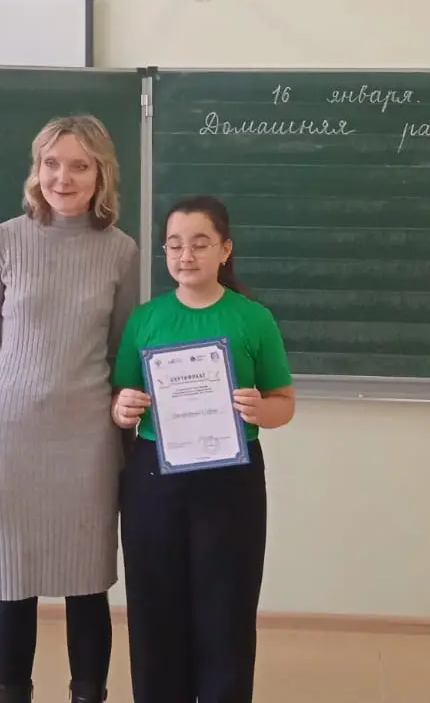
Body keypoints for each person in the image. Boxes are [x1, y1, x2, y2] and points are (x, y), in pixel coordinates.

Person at [0, 115, 140, 703]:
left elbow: (123, 354)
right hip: (9, 439)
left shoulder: (121, 251)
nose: (63, 177)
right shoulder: (1, 241)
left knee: (88, 584)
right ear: (36, 169)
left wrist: (132, 435)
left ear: (101, 174)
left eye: (79, 165)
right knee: (13, 583)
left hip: (88, 441)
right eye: (51, 163)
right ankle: (12, 694)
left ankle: (88, 694)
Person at [110, 195, 296, 703]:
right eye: (174, 245)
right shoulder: (145, 319)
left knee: (226, 609)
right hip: (154, 478)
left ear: (225, 250)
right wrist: (122, 407)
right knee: (154, 607)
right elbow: (121, 399)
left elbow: (283, 404)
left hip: (231, 481)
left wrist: (259, 409)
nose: (185, 255)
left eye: (199, 243)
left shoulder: (253, 319)